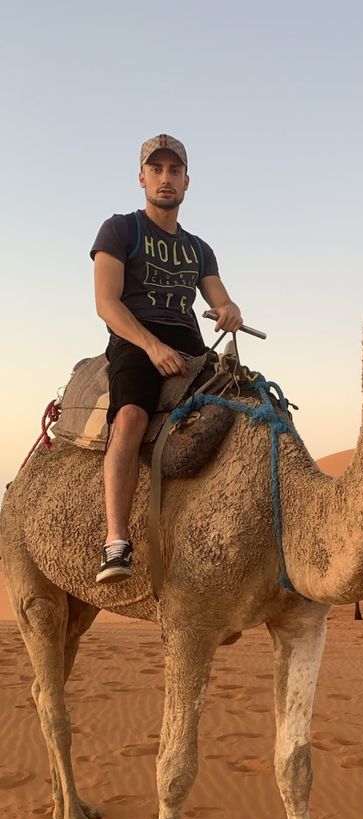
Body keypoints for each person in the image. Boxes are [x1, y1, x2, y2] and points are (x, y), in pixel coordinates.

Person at [91, 133, 243, 584]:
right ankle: (115, 541)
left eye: (173, 170)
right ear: (141, 178)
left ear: (186, 181)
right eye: (156, 170)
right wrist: (151, 347)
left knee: (247, 408)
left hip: (191, 345)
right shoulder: (120, 229)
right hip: (135, 340)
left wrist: (230, 311)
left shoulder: (199, 249)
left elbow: (220, 298)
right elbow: (106, 303)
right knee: (131, 419)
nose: (165, 178)